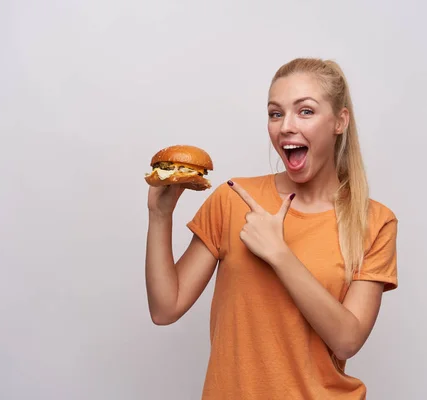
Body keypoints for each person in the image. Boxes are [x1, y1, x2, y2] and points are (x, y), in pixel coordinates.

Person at [145, 57, 398, 399]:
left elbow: (347, 340)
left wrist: (280, 254)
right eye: (275, 113)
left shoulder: (375, 221)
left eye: (305, 111)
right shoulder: (233, 198)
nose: (286, 127)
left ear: (340, 121)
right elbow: (165, 308)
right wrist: (160, 216)